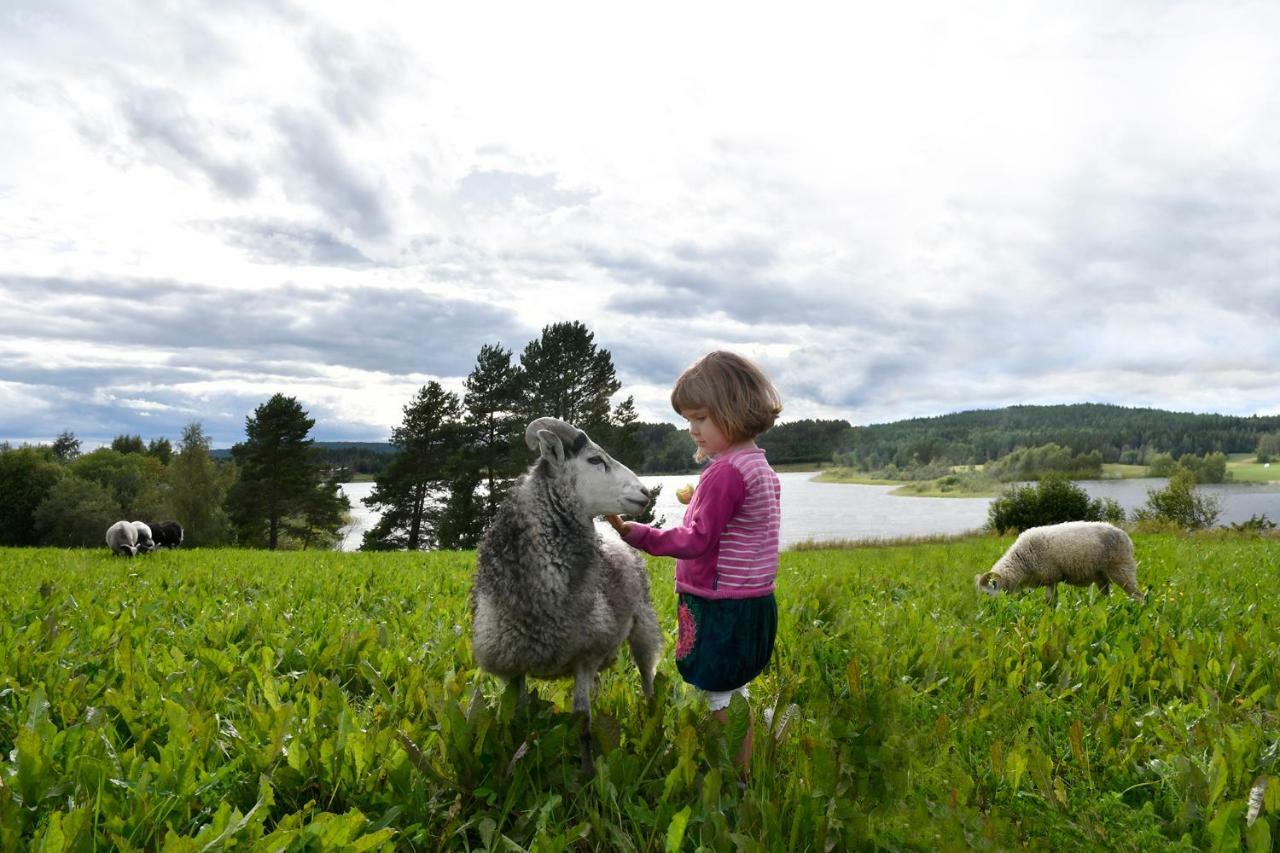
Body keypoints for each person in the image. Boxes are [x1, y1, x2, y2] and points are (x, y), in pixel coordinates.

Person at [608, 350, 783, 778]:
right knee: (731, 685)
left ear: (733, 411)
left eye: (701, 419)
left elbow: (698, 540)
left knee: (716, 692)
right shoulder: (757, 465)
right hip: (754, 601)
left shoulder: (725, 474)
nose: (692, 430)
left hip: (722, 605)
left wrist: (640, 534)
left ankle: (735, 775)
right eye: (689, 419)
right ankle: (745, 753)